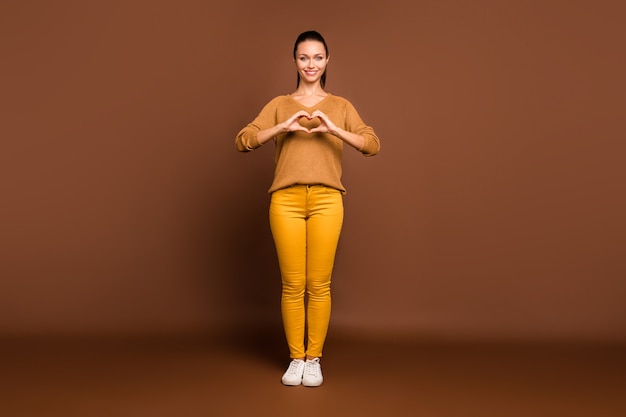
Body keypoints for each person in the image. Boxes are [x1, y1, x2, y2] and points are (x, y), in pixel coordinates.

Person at [235, 30, 380, 387]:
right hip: (285, 200)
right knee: (292, 283)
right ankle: (295, 358)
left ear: (327, 61)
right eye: (304, 57)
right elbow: (242, 141)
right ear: (295, 61)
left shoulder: (341, 106)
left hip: (327, 200)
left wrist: (335, 130)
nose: (311, 64)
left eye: (317, 57)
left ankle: (313, 358)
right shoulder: (280, 104)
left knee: (318, 284)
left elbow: (372, 144)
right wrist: (281, 127)